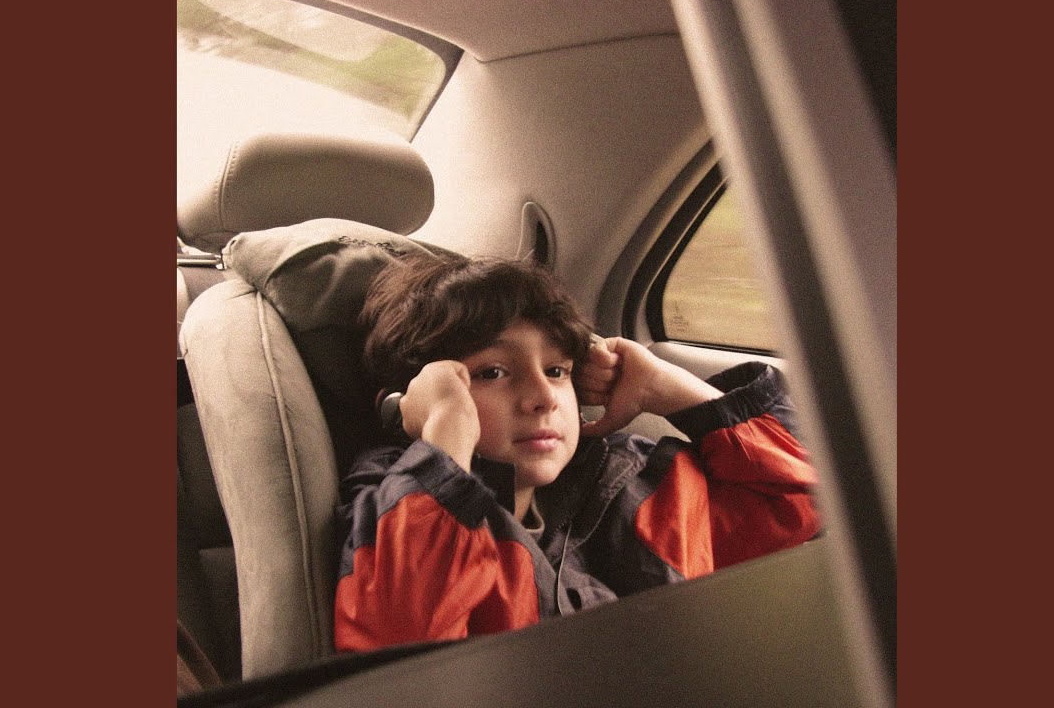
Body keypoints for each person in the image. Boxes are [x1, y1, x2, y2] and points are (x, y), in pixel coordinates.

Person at [333, 253, 820, 652]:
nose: (543, 397)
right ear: (409, 403)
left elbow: (807, 500)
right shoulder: (400, 507)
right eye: (491, 373)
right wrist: (445, 436)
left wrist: (665, 388)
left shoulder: (633, 482)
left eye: (557, 371)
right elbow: (400, 650)